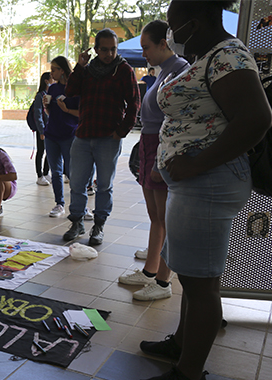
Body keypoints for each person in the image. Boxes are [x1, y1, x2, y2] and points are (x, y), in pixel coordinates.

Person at [140, 1, 271, 379]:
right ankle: (182, 343)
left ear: (193, 24)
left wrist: (195, 164)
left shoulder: (228, 55)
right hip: (195, 183)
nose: (170, 33)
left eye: (173, 25)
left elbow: (257, 118)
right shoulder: (211, 55)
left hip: (209, 183)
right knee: (193, 277)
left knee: (202, 287)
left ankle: (189, 371)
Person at [118, 20, 189, 302]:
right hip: (150, 144)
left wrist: (161, 159)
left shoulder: (179, 70)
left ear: (164, 44)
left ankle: (162, 280)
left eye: (147, 47)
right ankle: (150, 272)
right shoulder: (164, 72)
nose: (144, 53)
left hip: (162, 146)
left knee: (165, 218)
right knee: (155, 216)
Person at [63, 28, 141, 246]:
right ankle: (76, 222)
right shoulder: (87, 71)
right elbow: (70, 92)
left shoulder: (124, 70)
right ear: (95, 49)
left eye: (113, 49)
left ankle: (99, 225)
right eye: (104, 50)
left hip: (109, 137)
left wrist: (121, 131)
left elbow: (135, 104)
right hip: (83, 135)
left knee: (104, 185)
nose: (109, 54)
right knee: (77, 183)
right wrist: (79, 65)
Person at [42, 57, 79, 219]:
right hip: (51, 134)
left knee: (73, 172)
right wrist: (46, 107)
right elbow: (51, 113)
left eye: (54, 70)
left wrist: (66, 109)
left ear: (62, 70)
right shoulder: (52, 88)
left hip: (69, 134)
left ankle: (79, 205)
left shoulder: (74, 89)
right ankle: (59, 203)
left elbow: (80, 113)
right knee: (55, 172)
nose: (52, 73)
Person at [28, 72, 52, 187]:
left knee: (50, 151)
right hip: (42, 129)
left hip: (50, 128)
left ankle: (46, 173)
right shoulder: (40, 96)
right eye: (51, 78)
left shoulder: (50, 93)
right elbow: (38, 115)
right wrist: (41, 131)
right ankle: (39, 175)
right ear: (46, 81)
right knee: (41, 151)